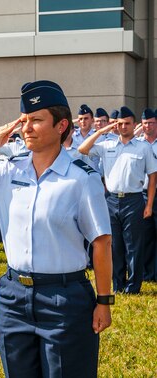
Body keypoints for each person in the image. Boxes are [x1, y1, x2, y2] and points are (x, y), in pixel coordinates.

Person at [0, 80, 114, 378]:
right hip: (13, 298)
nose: (27, 129)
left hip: (65, 299)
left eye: (36, 121)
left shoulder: (80, 178)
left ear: (61, 125)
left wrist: (104, 301)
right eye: (23, 121)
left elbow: (101, 242)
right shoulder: (9, 171)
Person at [79, 107, 157, 294]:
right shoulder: (108, 145)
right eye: (120, 123)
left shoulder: (143, 147)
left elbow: (153, 177)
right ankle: (118, 284)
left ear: (133, 124)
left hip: (134, 200)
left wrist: (149, 205)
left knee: (134, 246)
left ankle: (133, 286)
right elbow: (83, 148)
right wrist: (101, 131)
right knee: (114, 246)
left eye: (127, 123)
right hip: (111, 201)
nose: (123, 127)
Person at [139, 109, 157, 281]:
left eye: (151, 122)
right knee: (146, 236)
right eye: (145, 123)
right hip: (144, 195)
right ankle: (149, 274)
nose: (148, 126)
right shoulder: (138, 144)